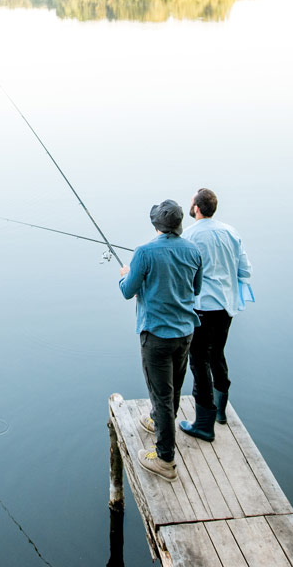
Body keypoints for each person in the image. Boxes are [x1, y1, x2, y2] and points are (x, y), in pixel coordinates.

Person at [118, 199, 202, 481]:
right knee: (174, 388)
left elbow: (127, 291)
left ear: (156, 225)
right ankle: (158, 422)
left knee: (161, 396)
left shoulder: (143, 252)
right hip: (185, 332)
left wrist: (125, 276)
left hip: (156, 336)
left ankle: (165, 459)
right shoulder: (193, 250)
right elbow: (196, 288)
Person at [178, 187, 253, 442]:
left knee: (199, 362)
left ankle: (203, 424)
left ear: (197, 208)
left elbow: (182, 273)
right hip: (226, 307)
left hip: (200, 308)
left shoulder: (188, 236)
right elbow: (245, 271)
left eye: (191, 202)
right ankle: (221, 412)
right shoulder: (231, 232)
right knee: (217, 354)